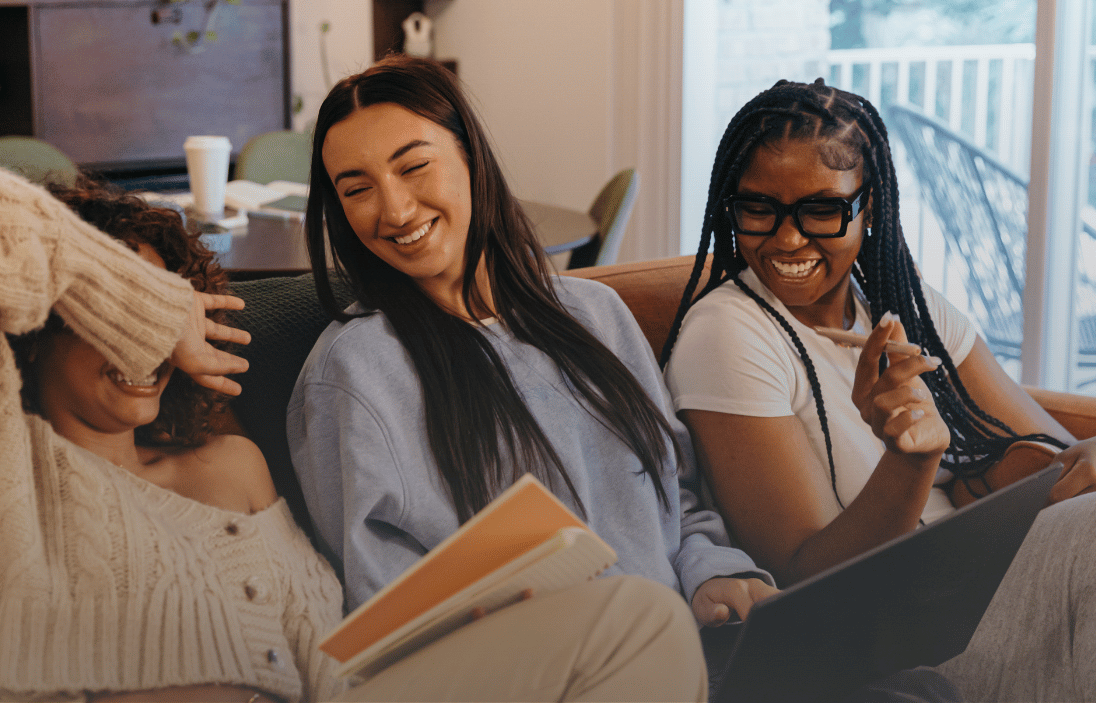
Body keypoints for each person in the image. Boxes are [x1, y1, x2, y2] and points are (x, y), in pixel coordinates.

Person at [0, 142, 708, 703]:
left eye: (173, 307)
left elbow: (330, 657)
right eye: (120, 308)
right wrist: (156, 310)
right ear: (39, 319)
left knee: (638, 618)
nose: (153, 337)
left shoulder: (231, 465)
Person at [660, 79, 1096, 702]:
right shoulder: (727, 332)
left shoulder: (901, 306)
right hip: (901, 635)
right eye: (758, 208)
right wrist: (910, 462)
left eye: (822, 210)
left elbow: (1056, 457)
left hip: (984, 581)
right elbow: (807, 582)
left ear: (871, 209)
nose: (787, 238)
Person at [286, 55, 778, 635]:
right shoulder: (354, 372)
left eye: (413, 167)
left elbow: (678, 497)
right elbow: (387, 614)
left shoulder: (597, 316)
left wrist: (712, 576)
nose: (394, 210)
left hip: (685, 652)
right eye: (357, 189)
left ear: (470, 157)